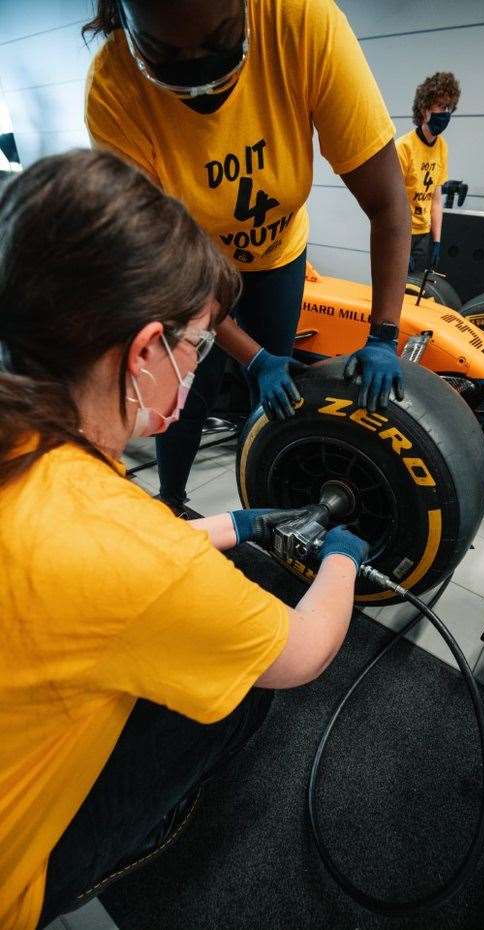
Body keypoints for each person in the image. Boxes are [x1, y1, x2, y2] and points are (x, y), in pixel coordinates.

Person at [0, 149, 369, 930]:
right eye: (198, 347)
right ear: (143, 353)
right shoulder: (118, 536)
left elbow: (102, 565)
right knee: (233, 691)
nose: (199, 368)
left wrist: (229, 526)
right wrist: (341, 561)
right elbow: (301, 650)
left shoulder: (34, 455)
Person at [83, 0, 410, 516]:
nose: (197, 69)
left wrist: (385, 335)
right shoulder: (114, 89)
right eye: (166, 51)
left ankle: (261, 494)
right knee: (187, 392)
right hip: (195, 271)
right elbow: (167, 270)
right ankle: (171, 502)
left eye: (217, 43)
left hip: (278, 256)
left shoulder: (302, 23)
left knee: (270, 394)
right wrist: (250, 356)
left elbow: (389, 204)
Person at [395, 71, 461, 276]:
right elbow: (393, 200)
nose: (446, 112)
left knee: (416, 290)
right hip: (401, 232)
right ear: (424, 109)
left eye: (449, 107)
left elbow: (435, 199)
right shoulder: (403, 147)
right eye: (441, 106)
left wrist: (437, 241)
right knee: (396, 289)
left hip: (423, 233)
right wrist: (400, 240)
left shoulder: (442, 147)